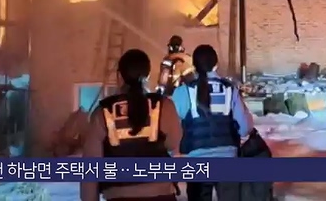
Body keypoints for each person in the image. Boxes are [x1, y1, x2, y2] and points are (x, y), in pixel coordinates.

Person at [80, 49, 183, 201]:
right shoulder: (164, 106)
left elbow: (91, 167)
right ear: (148, 75)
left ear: (119, 77)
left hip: (118, 196)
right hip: (161, 194)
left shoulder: (102, 113)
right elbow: (173, 144)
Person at [170, 44, 254, 201]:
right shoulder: (230, 89)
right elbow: (245, 128)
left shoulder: (184, 91)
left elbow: (172, 129)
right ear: (216, 64)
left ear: (194, 66)